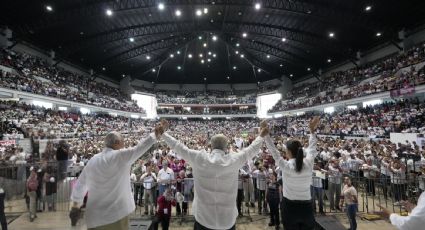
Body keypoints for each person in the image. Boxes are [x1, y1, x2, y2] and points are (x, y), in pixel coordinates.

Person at [161, 120, 268, 230]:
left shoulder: (199, 158)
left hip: (203, 220)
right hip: (227, 221)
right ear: (226, 147)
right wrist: (261, 135)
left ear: (211, 146)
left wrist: (163, 133)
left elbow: (178, 147)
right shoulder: (234, 159)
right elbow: (251, 150)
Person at [70, 123, 166, 230]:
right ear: (116, 143)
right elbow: (139, 148)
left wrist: (75, 205)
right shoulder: (120, 156)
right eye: (122, 142)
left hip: (94, 217)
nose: (124, 145)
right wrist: (155, 134)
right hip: (115, 215)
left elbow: (80, 185)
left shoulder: (93, 160)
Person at [264, 116, 320, 230]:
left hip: (289, 207)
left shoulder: (286, 166)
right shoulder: (308, 163)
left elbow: (273, 151)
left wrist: (265, 134)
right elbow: (312, 147)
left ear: (288, 152)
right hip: (306, 206)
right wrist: (312, 130)